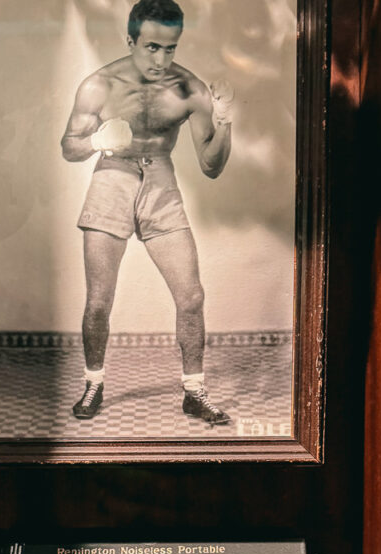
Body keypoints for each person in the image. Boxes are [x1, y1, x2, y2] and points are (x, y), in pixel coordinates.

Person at [61, 0, 233, 424]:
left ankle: (194, 392)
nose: (161, 59)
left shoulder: (188, 89)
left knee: (191, 296)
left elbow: (211, 166)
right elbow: (69, 146)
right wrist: (98, 141)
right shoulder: (98, 85)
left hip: (161, 183)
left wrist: (225, 123)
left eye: (170, 48)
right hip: (111, 181)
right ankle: (93, 384)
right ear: (131, 40)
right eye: (152, 47)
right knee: (99, 301)